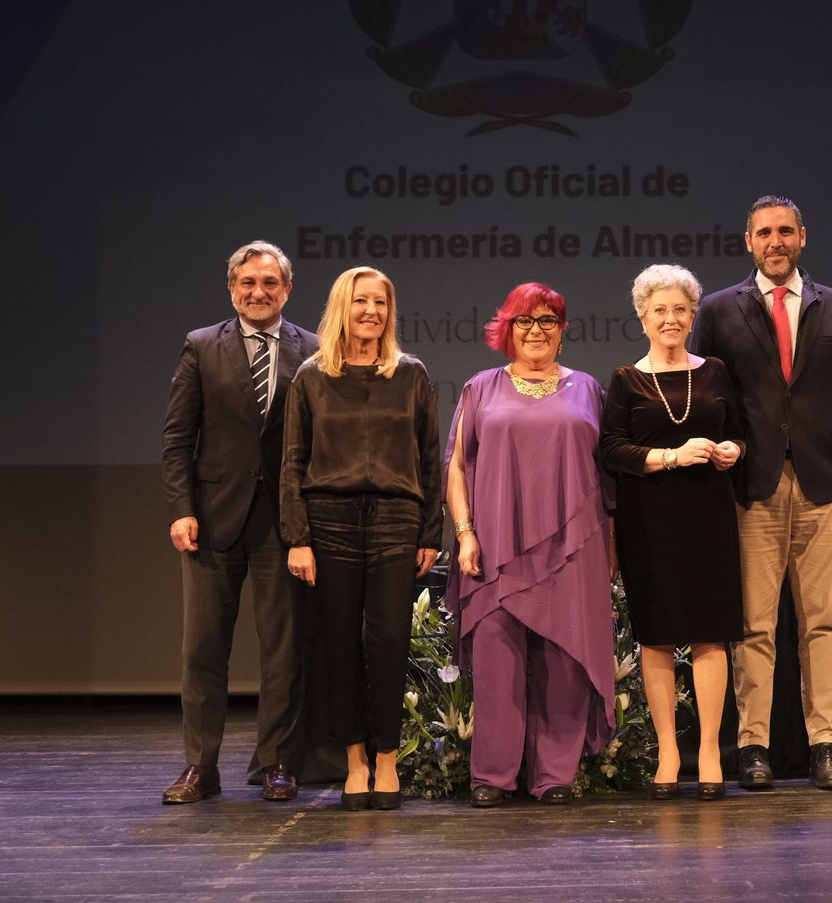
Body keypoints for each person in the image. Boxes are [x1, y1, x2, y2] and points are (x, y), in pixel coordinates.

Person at [693, 195, 832, 791]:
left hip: (825, 486)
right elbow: (705, 400)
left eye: (786, 232)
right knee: (755, 626)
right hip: (753, 486)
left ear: (803, 237)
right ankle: (755, 746)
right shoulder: (719, 310)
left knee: (823, 624)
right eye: (764, 233)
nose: (776, 242)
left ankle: (825, 744)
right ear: (749, 241)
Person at [444, 282, 617, 807]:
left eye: (548, 320)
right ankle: (492, 778)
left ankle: (554, 777)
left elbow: (609, 475)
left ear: (563, 332)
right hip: (495, 544)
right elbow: (454, 465)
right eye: (525, 320)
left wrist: (614, 549)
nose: (536, 330)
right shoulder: (480, 387)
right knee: (497, 660)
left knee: (567, 657)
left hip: (575, 544)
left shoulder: (589, 388)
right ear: (507, 330)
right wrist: (465, 533)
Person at [160, 240, 319, 803]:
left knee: (284, 650)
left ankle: (275, 763)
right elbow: (178, 438)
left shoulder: (315, 350)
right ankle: (199, 768)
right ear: (232, 289)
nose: (259, 292)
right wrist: (181, 507)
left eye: (269, 283)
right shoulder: (202, 347)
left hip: (285, 524)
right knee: (203, 650)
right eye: (248, 283)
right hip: (211, 520)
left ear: (287, 289)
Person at [279, 267, 441, 811]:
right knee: (340, 642)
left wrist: (431, 531)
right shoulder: (310, 376)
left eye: (380, 302)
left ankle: (388, 759)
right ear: (341, 308)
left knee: (390, 641)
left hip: (397, 519)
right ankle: (355, 761)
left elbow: (429, 459)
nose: (371, 311)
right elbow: (293, 462)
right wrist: (297, 537)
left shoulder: (411, 374)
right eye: (360, 301)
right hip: (330, 520)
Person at [600, 264, 745, 802]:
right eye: (659, 310)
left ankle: (708, 750)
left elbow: (736, 432)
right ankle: (668, 751)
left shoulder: (715, 372)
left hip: (708, 517)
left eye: (680, 310)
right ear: (642, 317)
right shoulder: (625, 379)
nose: (670, 318)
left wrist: (733, 451)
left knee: (711, 631)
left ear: (692, 316)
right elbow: (611, 450)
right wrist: (669, 456)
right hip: (649, 521)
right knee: (657, 634)